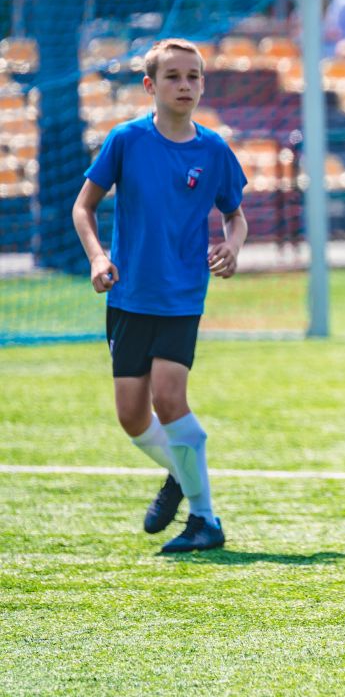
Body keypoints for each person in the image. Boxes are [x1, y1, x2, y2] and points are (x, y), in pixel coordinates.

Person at [71, 38, 248, 554]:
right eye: (173, 77)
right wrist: (98, 258)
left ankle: (205, 519)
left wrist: (232, 247)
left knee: (169, 398)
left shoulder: (213, 149)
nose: (185, 85)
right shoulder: (126, 140)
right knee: (131, 415)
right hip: (128, 297)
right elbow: (84, 208)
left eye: (193, 76)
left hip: (181, 295)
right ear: (150, 86)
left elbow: (234, 214)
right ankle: (181, 469)